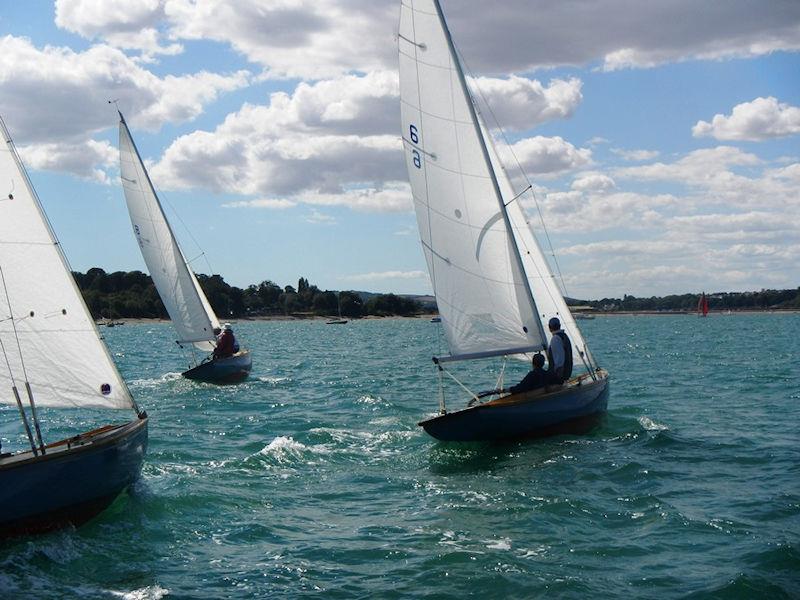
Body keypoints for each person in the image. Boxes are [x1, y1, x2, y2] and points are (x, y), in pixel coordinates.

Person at [546, 317, 573, 384]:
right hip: (566, 374)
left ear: (549, 327)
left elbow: (559, 361)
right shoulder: (565, 336)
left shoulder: (555, 338)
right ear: (560, 326)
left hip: (558, 377)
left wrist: (557, 380)